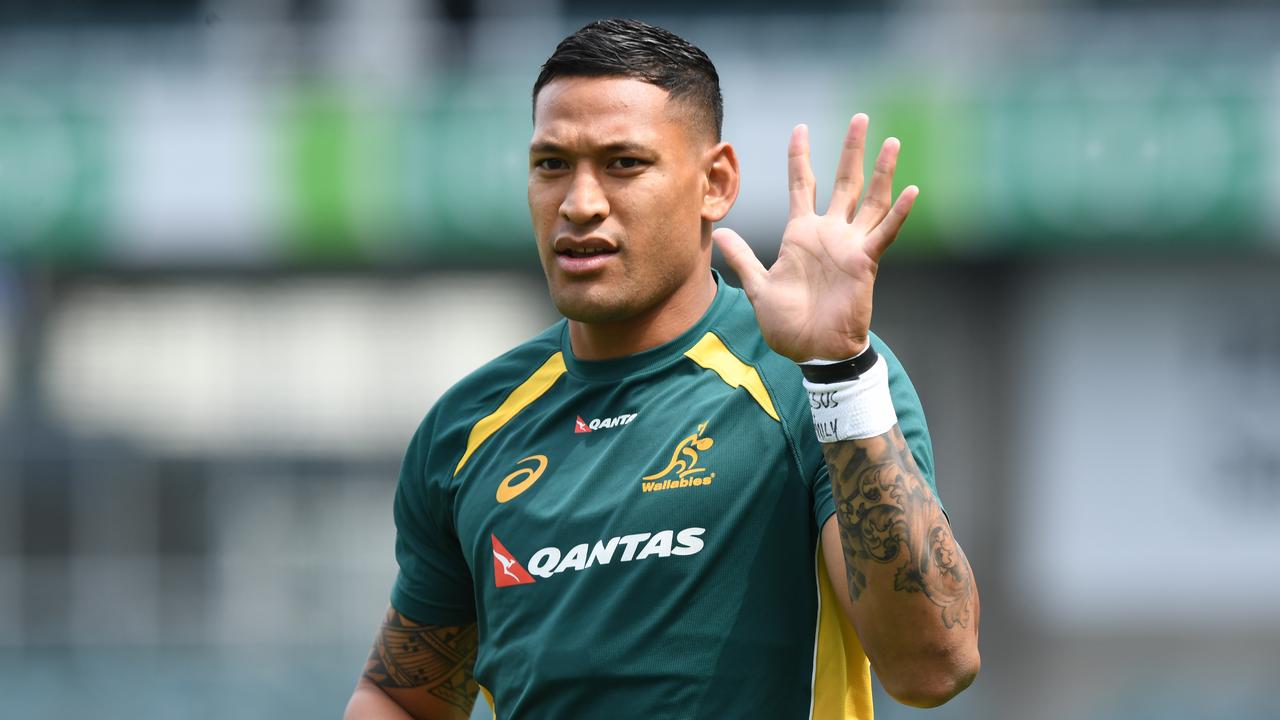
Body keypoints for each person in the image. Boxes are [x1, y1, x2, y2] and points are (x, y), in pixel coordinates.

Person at [344, 18, 979, 720]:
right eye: (552, 164)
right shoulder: (469, 426)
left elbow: (933, 667)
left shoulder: (817, 383)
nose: (580, 204)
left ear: (716, 183)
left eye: (624, 164)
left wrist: (839, 374)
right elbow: (400, 698)